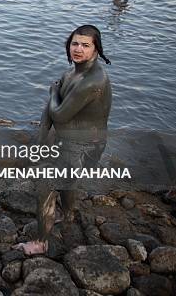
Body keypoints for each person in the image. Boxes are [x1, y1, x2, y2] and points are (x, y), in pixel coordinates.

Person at [15, 25, 112, 255]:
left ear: (96, 50)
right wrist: (41, 139)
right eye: (74, 43)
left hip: (85, 146)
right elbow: (50, 112)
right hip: (70, 141)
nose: (78, 49)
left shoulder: (92, 81)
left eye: (85, 45)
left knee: (47, 187)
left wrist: (52, 94)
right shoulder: (72, 73)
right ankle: (67, 214)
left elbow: (58, 113)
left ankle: (40, 243)